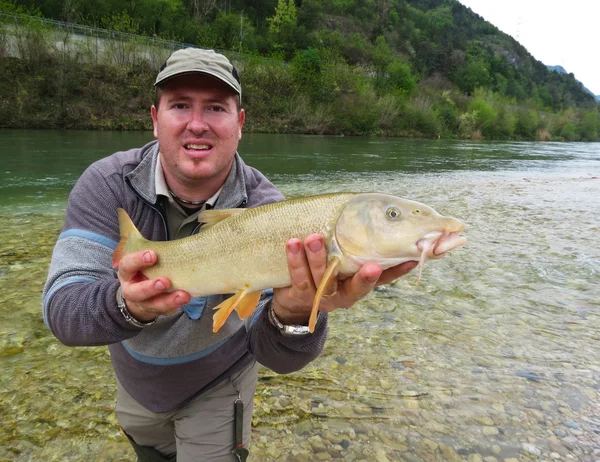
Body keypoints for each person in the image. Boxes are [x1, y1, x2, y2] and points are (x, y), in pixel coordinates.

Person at [42, 48, 417, 461]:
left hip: (219, 386)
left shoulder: (269, 210)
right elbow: (63, 313)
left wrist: (293, 315)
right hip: (136, 386)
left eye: (216, 108)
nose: (197, 124)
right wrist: (126, 305)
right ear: (154, 119)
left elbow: (277, 356)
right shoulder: (107, 184)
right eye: (180, 105)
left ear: (239, 124)